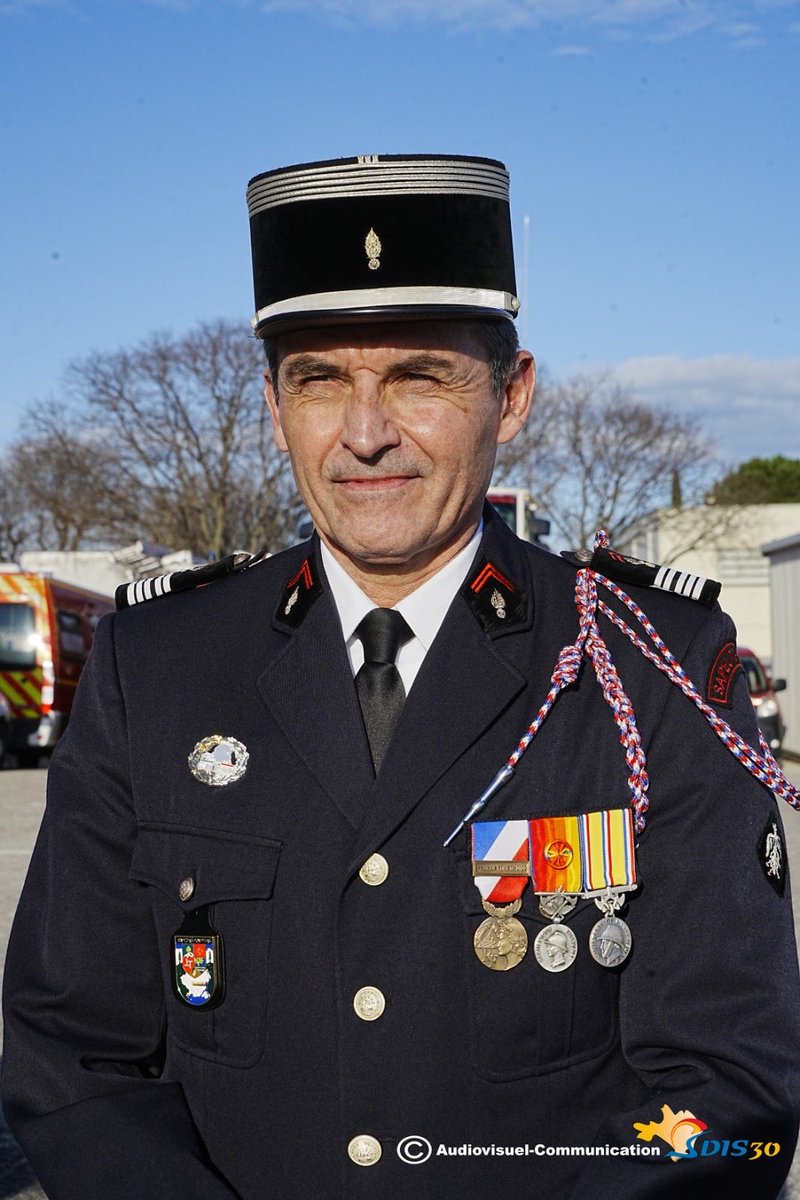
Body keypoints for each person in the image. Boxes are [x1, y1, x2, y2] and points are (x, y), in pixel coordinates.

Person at [2, 153, 799, 1200]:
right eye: (319, 380)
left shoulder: (653, 663)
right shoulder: (158, 670)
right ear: (273, 403)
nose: (365, 434)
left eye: (418, 376)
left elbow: (733, 1092)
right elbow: (72, 1053)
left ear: (509, 397)